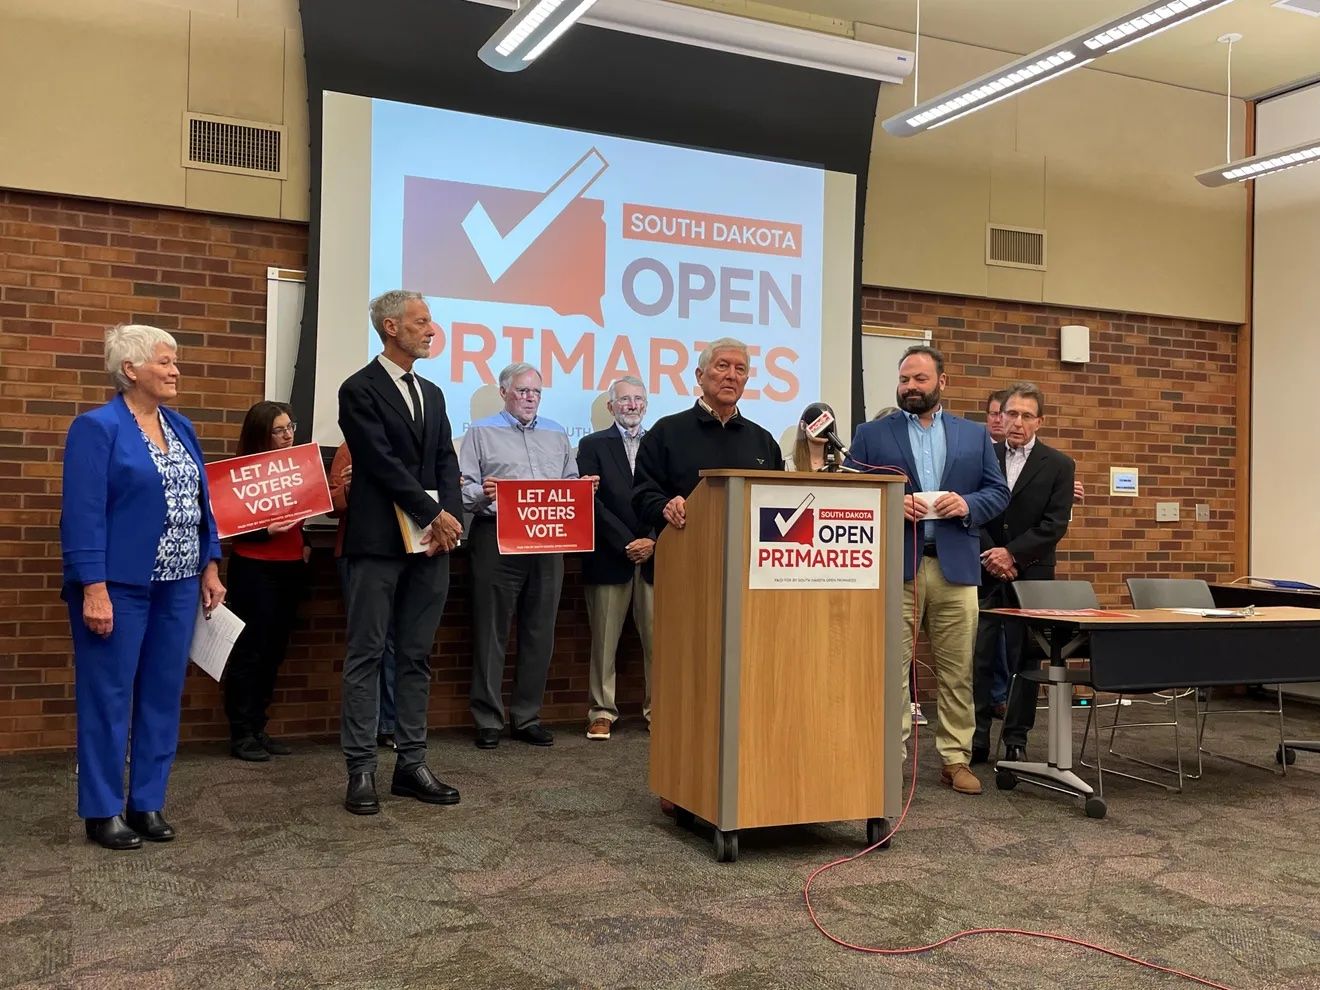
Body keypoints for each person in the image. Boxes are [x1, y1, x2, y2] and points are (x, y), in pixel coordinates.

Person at [60, 324, 226, 849]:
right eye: (164, 361)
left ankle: (147, 802)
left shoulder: (181, 427)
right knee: (108, 698)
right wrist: (93, 586)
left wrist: (210, 564)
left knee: (161, 697)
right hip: (119, 587)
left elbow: (202, 503)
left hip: (178, 585)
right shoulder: (96, 428)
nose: (175, 369)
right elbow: (82, 516)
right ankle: (103, 809)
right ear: (130, 369)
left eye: (175, 361)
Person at [845, 345, 1009, 796]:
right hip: (898, 568)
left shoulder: (974, 437)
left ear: (942, 382)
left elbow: (998, 493)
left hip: (956, 568)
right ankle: (888, 760)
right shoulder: (871, 434)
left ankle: (955, 758)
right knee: (892, 669)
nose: (910, 387)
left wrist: (968, 504)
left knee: (957, 669)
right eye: (904, 380)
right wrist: (891, 503)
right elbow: (848, 493)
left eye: (919, 379)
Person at [338, 290, 464, 815]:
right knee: (366, 654)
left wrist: (449, 519)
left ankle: (411, 763)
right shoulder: (358, 389)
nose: (431, 329)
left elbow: (445, 462)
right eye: (421, 321)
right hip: (377, 542)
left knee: (416, 654)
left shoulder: (432, 393)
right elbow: (381, 462)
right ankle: (361, 770)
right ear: (391, 327)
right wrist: (432, 514)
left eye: (430, 320)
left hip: (430, 546)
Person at [460, 362, 595, 749]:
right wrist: (483, 493)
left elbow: (568, 483)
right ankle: (487, 719)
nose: (530, 398)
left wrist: (583, 489)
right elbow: (465, 487)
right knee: (491, 630)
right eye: (522, 391)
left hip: (548, 542)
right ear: (504, 392)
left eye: (536, 391)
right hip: (496, 538)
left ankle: (526, 716)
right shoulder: (480, 431)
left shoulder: (556, 433)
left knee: (540, 631)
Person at [972, 383, 1075, 764]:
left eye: (1026, 415)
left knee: (1026, 659)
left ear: (1040, 421)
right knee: (979, 656)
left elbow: (1054, 525)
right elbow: (973, 510)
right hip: (984, 569)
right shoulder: (983, 455)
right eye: (1010, 414)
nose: (1016, 422)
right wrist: (992, 554)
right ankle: (978, 736)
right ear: (1000, 416)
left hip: (1031, 575)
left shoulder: (1060, 465)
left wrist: (1012, 555)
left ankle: (1016, 737)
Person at [633, 337, 786, 542]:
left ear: (746, 381)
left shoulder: (763, 441)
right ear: (700, 376)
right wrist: (665, 506)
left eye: (740, 369)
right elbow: (642, 495)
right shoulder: (666, 432)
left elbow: (778, 501)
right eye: (722, 366)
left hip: (749, 558)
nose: (732, 376)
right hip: (683, 552)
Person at [223, 401, 310, 762]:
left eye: (291, 426)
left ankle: (258, 727)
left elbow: (300, 516)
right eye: (279, 430)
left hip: (291, 566)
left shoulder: (296, 467)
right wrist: (264, 531)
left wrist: (303, 544)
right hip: (254, 568)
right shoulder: (242, 473)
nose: (288, 435)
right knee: (250, 651)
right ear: (261, 433)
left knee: (274, 651)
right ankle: (241, 732)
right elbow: (228, 525)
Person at [575, 376, 654, 740]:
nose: (632, 405)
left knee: (659, 642)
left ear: (646, 404)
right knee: (604, 643)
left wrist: (650, 540)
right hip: (610, 555)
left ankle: (659, 710)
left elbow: (668, 496)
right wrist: (627, 541)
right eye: (624, 399)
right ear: (611, 406)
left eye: (638, 399)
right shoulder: (591, 444)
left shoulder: (659, 443)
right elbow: (591, 500)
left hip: (656, 556)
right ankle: (601, 711)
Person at [329, 442, 397, 750]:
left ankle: (390, 724)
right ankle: (364, 730)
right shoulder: (349, 449)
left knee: (395, 644)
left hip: (401, 553)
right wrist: (349, 488)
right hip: (358, 553)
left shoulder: (409, 448)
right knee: (366, 645)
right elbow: (332, 504)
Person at [786, 401, 837, 472]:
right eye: (816, 420)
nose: (821, 428)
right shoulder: (789, 465)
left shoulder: (843, 464)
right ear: (803, 425)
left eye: (826, 422)